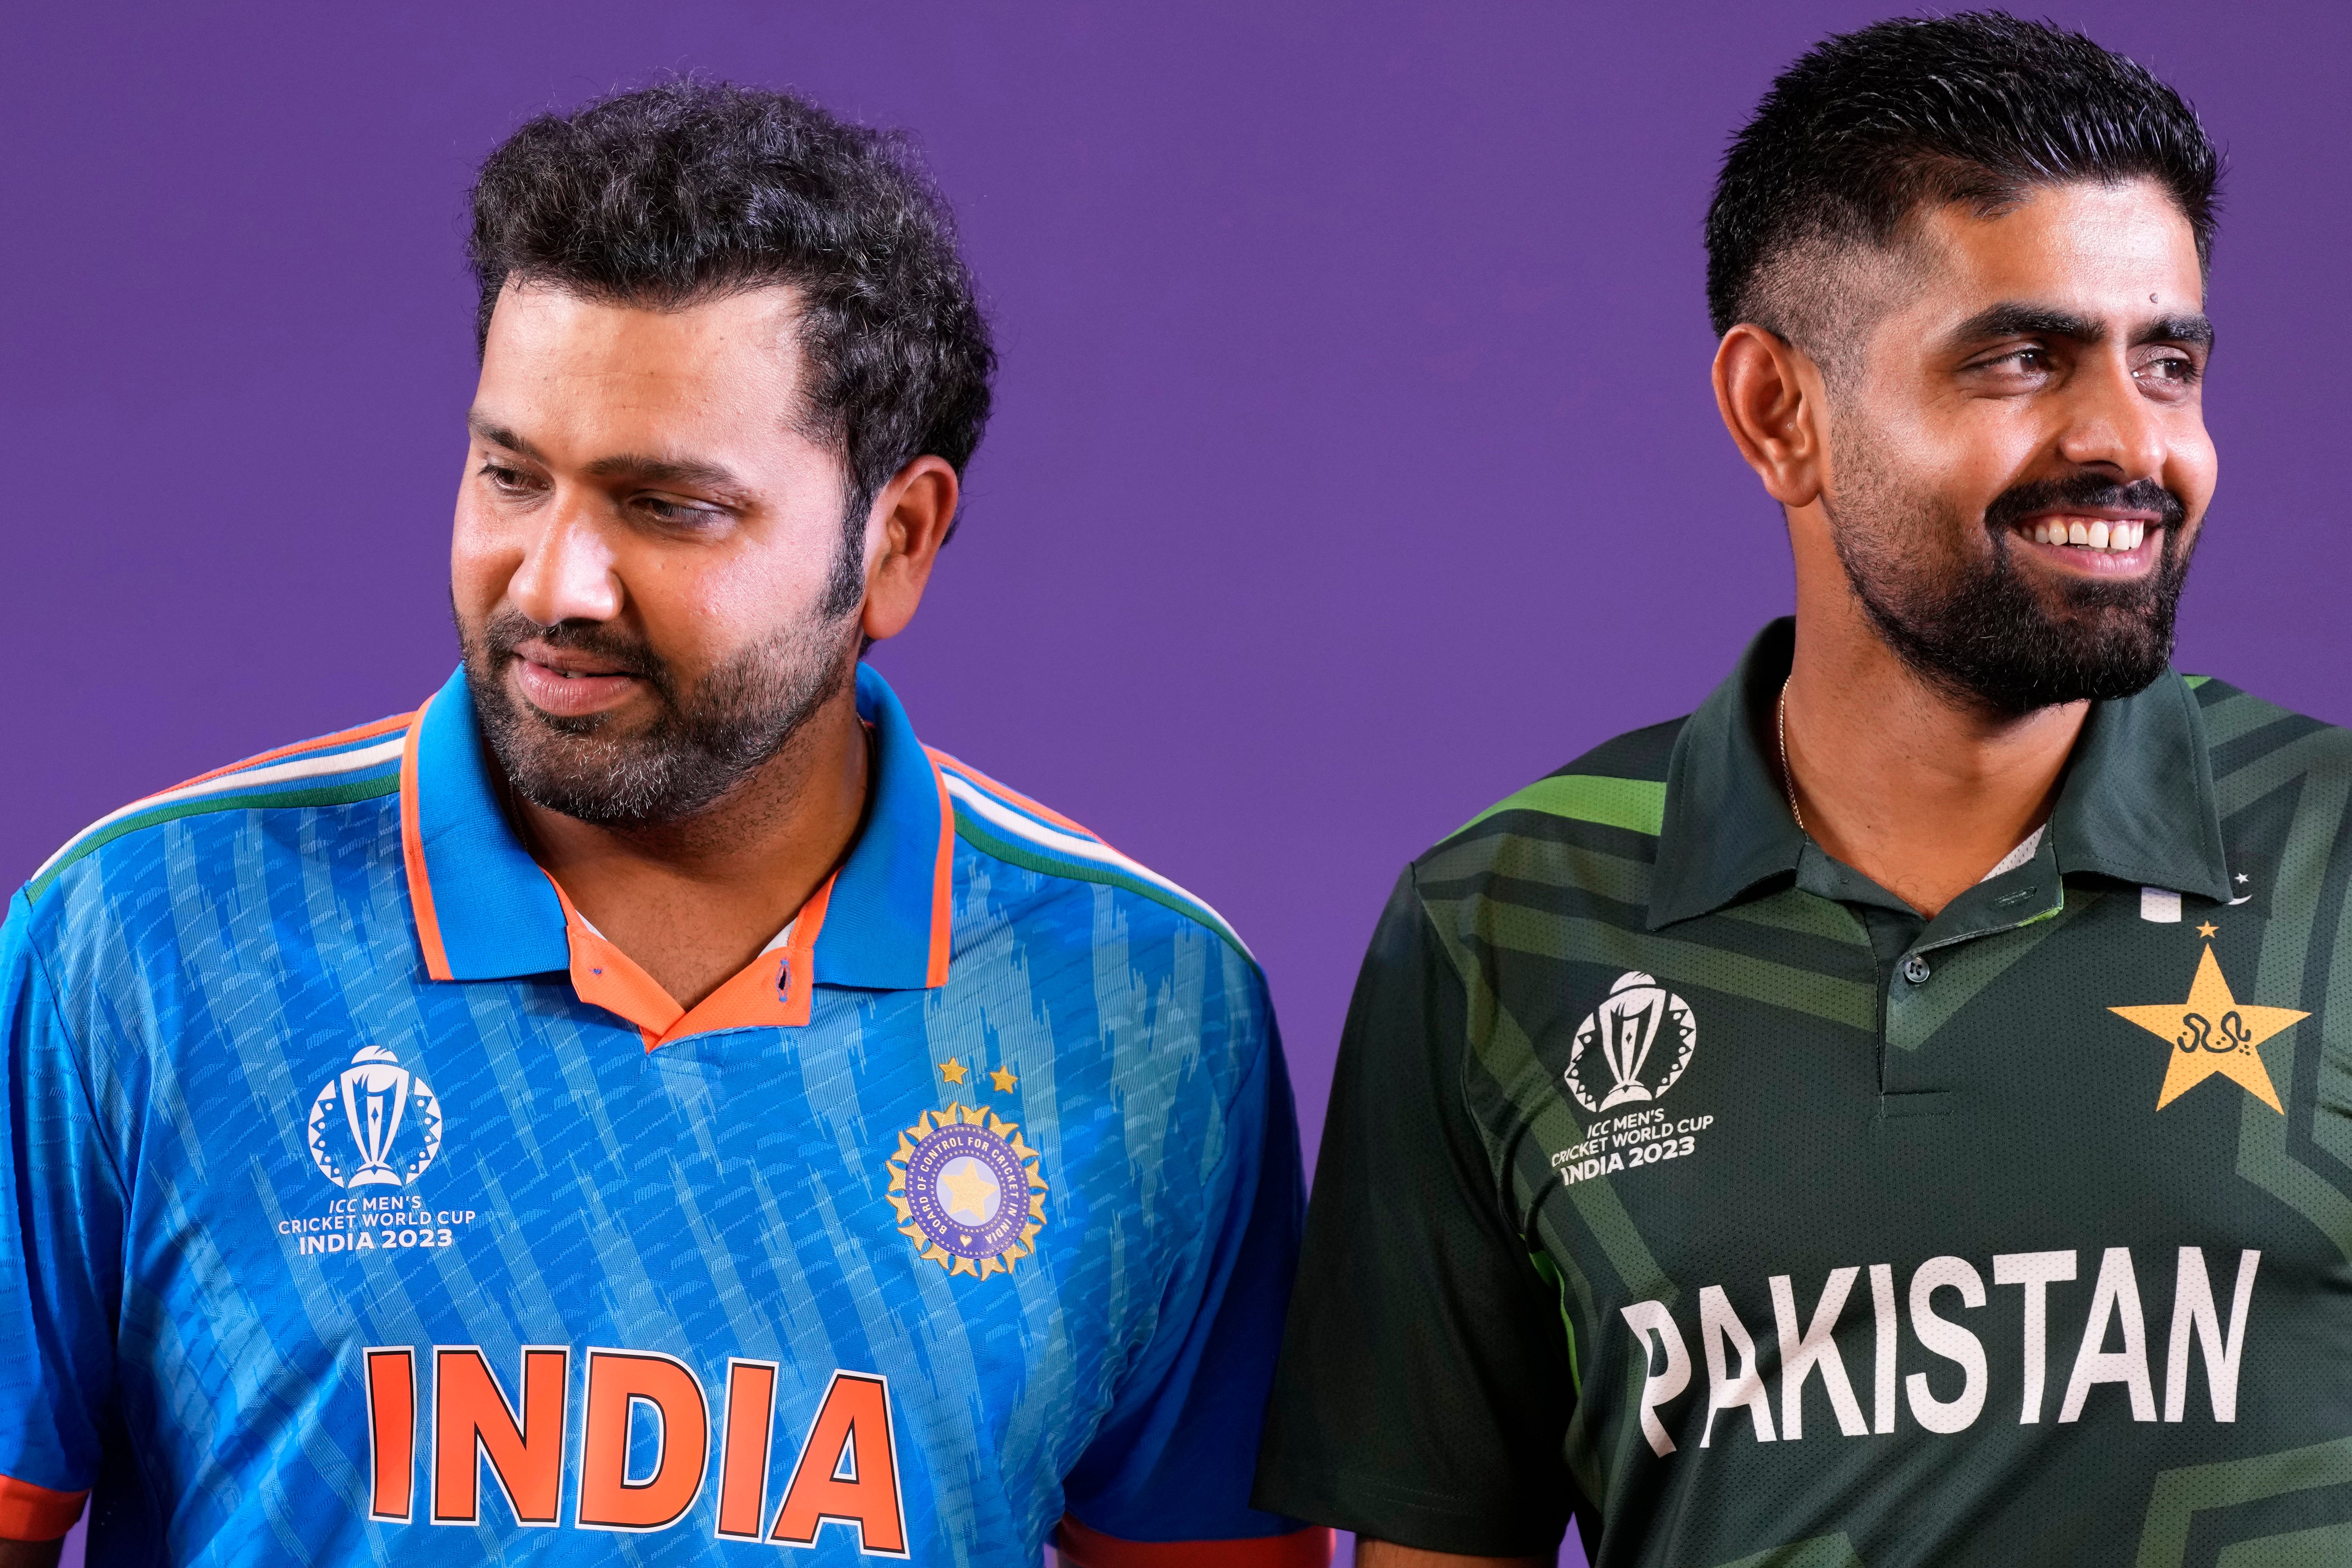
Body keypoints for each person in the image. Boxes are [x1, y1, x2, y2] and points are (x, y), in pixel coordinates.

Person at [0, 80, 1326, 1568]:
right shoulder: (136, 937)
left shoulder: (1150, 1005)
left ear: (896, 541)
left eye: (670, 506)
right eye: (513, 472)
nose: (556, 581)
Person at [1255, 14, 2349, 1566]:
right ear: (1781, 412)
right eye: (2025, 357)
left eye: (2167, 362)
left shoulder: (2338, 856)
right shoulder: (1499, 924)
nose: (2130, 441)